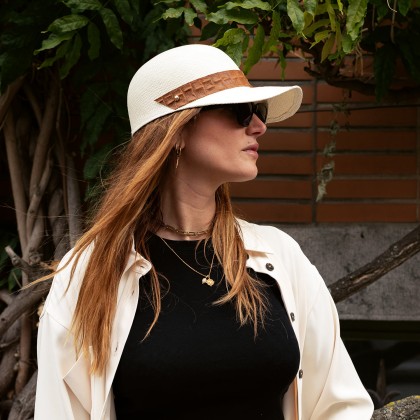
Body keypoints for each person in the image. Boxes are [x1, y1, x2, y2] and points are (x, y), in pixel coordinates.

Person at [35, 44, 374, 420]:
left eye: (258, 112)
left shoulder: (279, 256)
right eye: (241, 111)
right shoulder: (89, 272)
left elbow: (340, 406)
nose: (259, 126)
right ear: (176, 131)